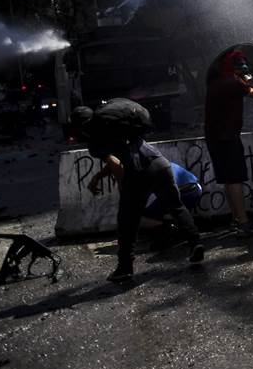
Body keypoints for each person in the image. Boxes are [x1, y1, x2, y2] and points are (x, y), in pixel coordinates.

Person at [73, 103, 204, 283]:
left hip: (139, 172)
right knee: (176, 206)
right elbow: (120, 157)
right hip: (160, 163)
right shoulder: (120, 123)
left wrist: (125, 196)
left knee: (127, 220)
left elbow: (116, 165)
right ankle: (196, 243)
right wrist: (99, 176)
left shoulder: (94, 139)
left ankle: (125, 268)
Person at [204, 49, 253, 236]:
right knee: (236, 179)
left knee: (228, 180)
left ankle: (236, 219)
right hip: (228, 137)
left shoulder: (215, 81)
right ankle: (244, 223)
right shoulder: (233, 82)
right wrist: (248, 79)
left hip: (214, 137)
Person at [141, 162, 205, 250]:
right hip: (196, 189)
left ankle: (167, 228)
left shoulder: (144, 171)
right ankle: (177, 227)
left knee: (138, 217)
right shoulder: (161, 162)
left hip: (183, 193)